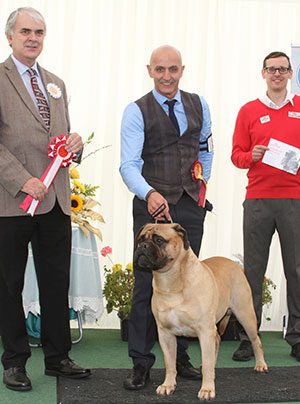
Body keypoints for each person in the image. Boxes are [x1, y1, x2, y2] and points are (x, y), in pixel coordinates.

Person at [0, 7, 91, 392]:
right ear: (10, 36)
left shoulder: (56, 83)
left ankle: (58, 358)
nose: (33, 37)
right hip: (12, 203)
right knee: (9, 285)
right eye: (26, 31)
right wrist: (23, 181)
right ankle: (15, 363)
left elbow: (62, 138)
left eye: (39, 31)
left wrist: (76, 145)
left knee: (57, 283)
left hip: (54, 200)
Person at [120, 45, 214, 389]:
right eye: (160, 69)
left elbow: (205, 147)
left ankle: (183, 360)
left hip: (190, 205)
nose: (167, 76)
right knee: (147, 285)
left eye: (173, 69)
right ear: (149, 70)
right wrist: (150, 193)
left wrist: (202, 184)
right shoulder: (136, 111)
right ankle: (141, 363)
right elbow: (128, 164)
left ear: (182, 69)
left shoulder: (199, 104)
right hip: (151, 207)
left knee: (191, 284)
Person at [231, 51, 300, 362]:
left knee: (296, 270)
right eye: (272, 69)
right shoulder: (248, 111)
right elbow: (236, 155)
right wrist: (251, 157)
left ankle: (296, 337)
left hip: (294, 200)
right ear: (263, 73)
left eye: (283, 69)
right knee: (253, 272)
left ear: (290, 73)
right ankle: (248, 336)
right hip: (258, 199)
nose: (277, 74)